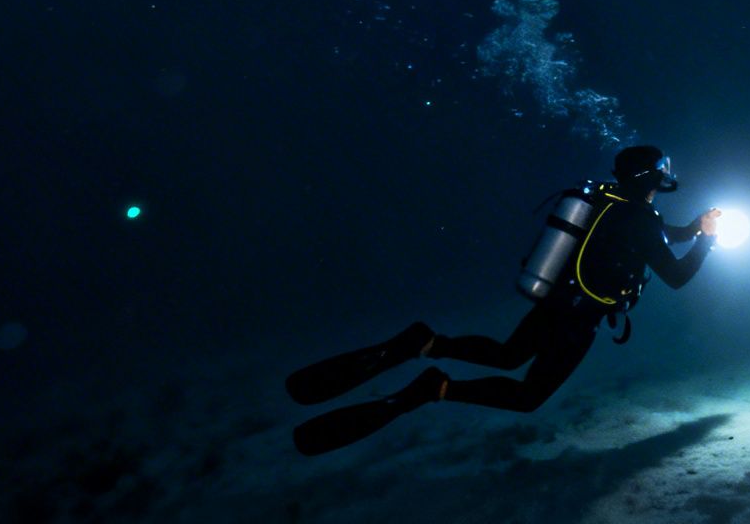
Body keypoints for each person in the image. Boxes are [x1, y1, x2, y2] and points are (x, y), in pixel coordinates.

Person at [286, 145, 721, 455]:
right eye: (661, 170)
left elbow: (658, 237)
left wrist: (695, 228)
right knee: (527, 396)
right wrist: (707, 242)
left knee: (506, 355)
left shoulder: (611, 201)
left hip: (556, 302)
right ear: (651, 177)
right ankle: (435, 388)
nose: (667, 176)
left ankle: (427, 344)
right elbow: (677, 276)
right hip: (578, 319)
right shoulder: (642, 219)